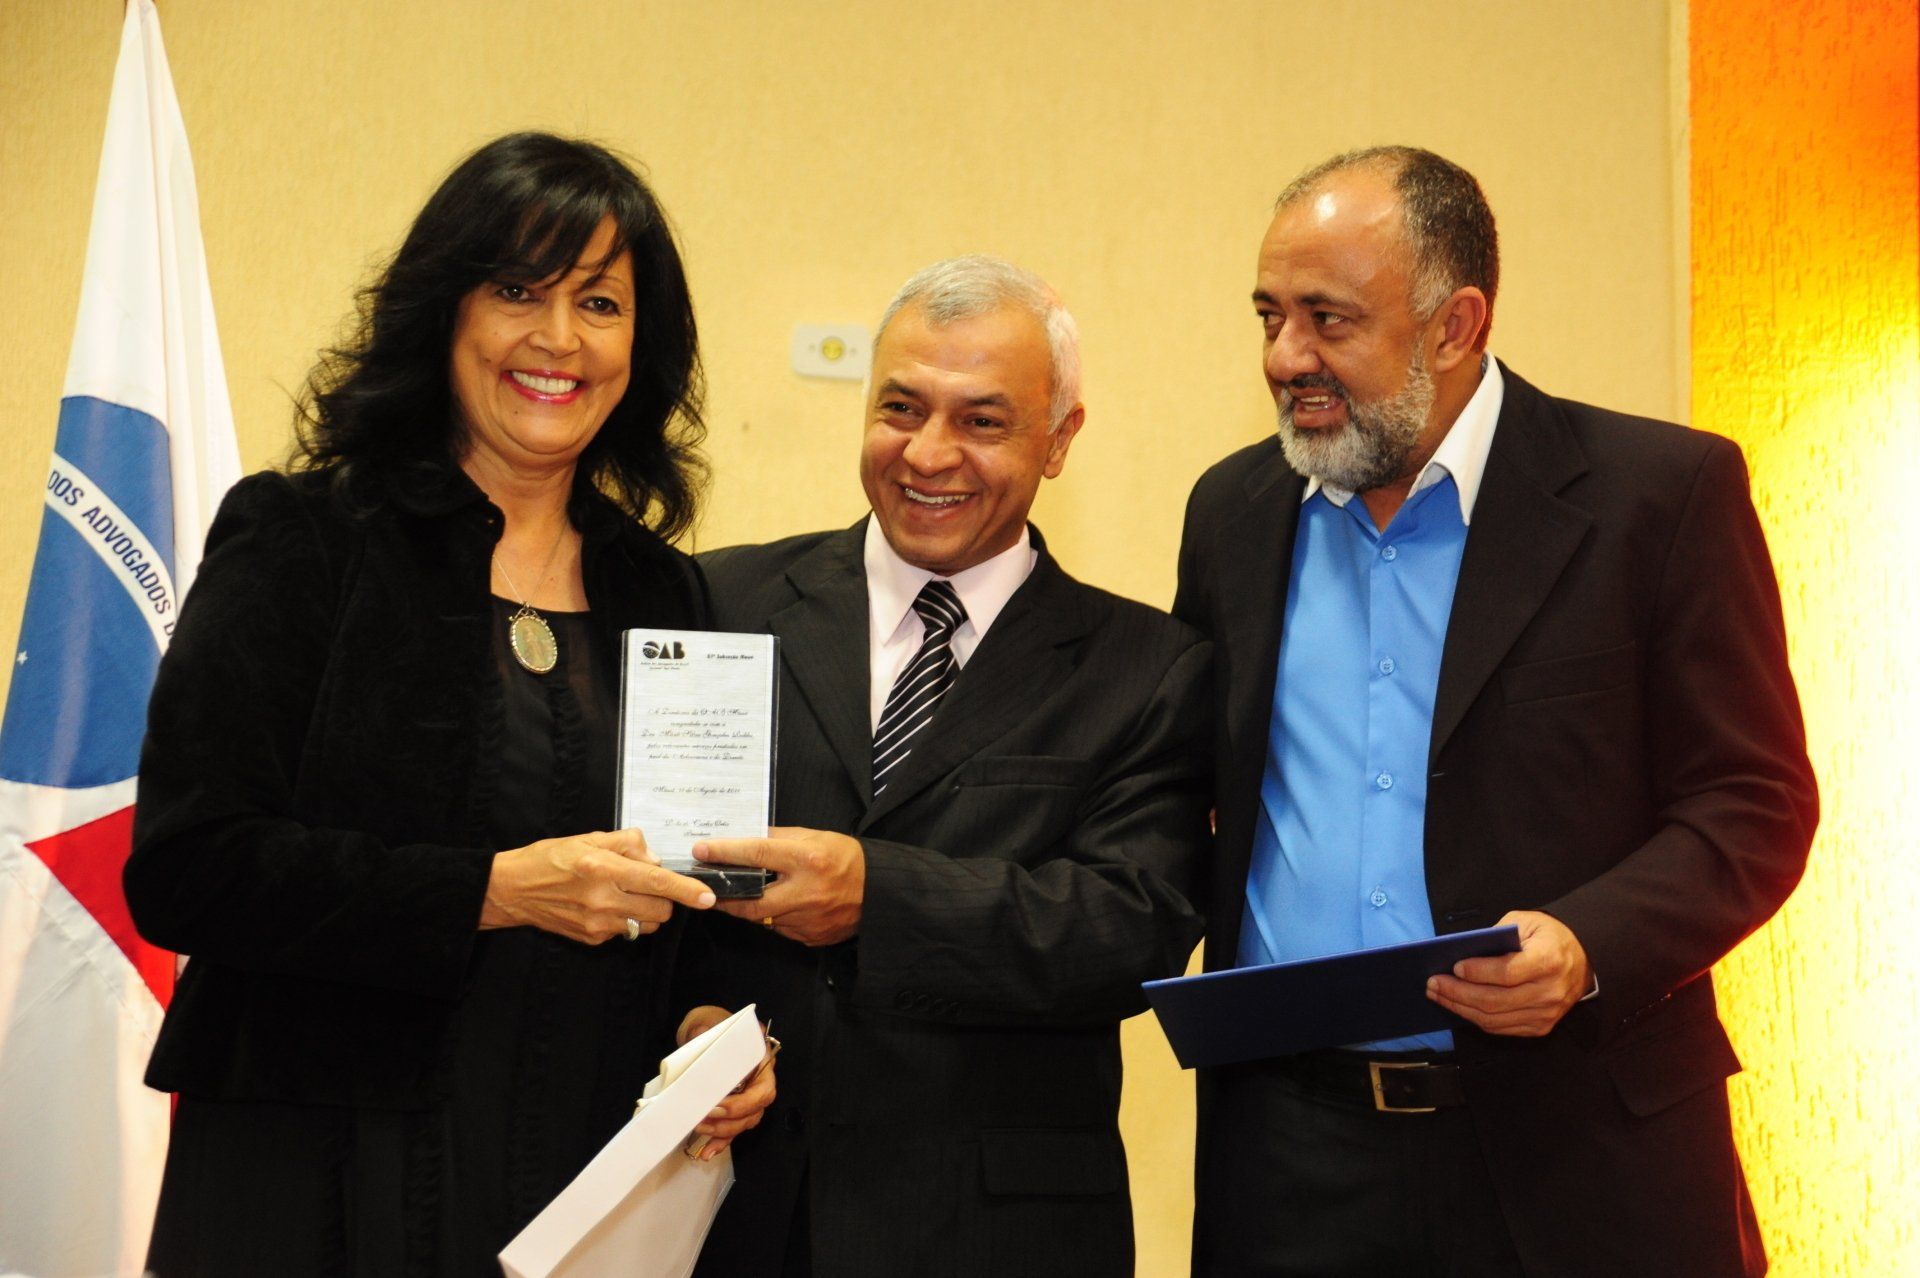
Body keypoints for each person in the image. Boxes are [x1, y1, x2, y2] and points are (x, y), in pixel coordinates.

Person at [125, 132, 773, 1277]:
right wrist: (491, 891)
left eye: (600, 302)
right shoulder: (306, 537)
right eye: (518, 290)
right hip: (315, 1171)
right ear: (445, 312)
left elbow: (692, 886)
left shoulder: (664, 590)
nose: (558, 338)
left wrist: (710, 1028)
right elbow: (190, 866)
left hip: (581, 1175)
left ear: (642, 344)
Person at [1174, 146, 1818, 1276]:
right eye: (1270, 315)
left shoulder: (1657, 496)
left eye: (1328, 320)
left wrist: (1589, 943)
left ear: (1455, 325)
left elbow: (1752, 804)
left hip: (1580, 1153)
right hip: (1292, 1159)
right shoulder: (1233, 510)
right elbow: (1189, 787)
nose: (1285, 357)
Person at [687, 255, 1210, 1276]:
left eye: (982, 420)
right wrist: (689, 1016)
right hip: (740, 1215)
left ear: (1059, 439)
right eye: (901, 408)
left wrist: (876, 898)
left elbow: (1129, 932)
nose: (929, 454)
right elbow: (654, 869)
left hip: (999, 1234)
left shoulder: (1147, 668)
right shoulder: (722, 605)